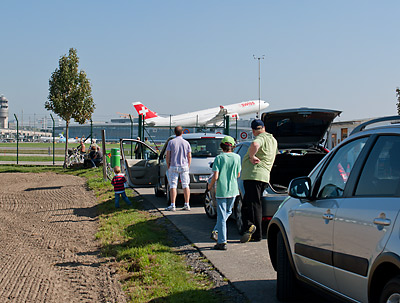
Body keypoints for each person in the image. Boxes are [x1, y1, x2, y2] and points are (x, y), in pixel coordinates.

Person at [240, 119, 278, 243]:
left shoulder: (260, 138)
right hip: (264, 176)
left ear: (253, 130)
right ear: (264, 127)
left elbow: (255, 145)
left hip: (254, 176)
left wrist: (251, 156)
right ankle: (248, 226)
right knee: (247, 205)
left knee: (254, 204)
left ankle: (256, 233)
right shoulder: (273, 140)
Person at [208, 136, 241, 250]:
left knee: (221, 216)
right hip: (233, 189)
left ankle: (222, 241)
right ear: (232, 147)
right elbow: (238, 175)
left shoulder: (219, 158)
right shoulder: (237, 157)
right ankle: (216, 231)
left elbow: (215, 176)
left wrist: (210, 185)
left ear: (222, 146)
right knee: (228, 212)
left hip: (222, 190)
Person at [165, 126, 192, 211]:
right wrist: (188, 165)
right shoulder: (186, 143)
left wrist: (168, 165)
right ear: (182, 132)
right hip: (184, 166)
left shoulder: (171, 142)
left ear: (175, 132)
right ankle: (187, 203)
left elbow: (168, 155)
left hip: (173, 165)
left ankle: (173, 204)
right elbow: (189, 156)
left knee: (173, 185)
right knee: (186, 185)